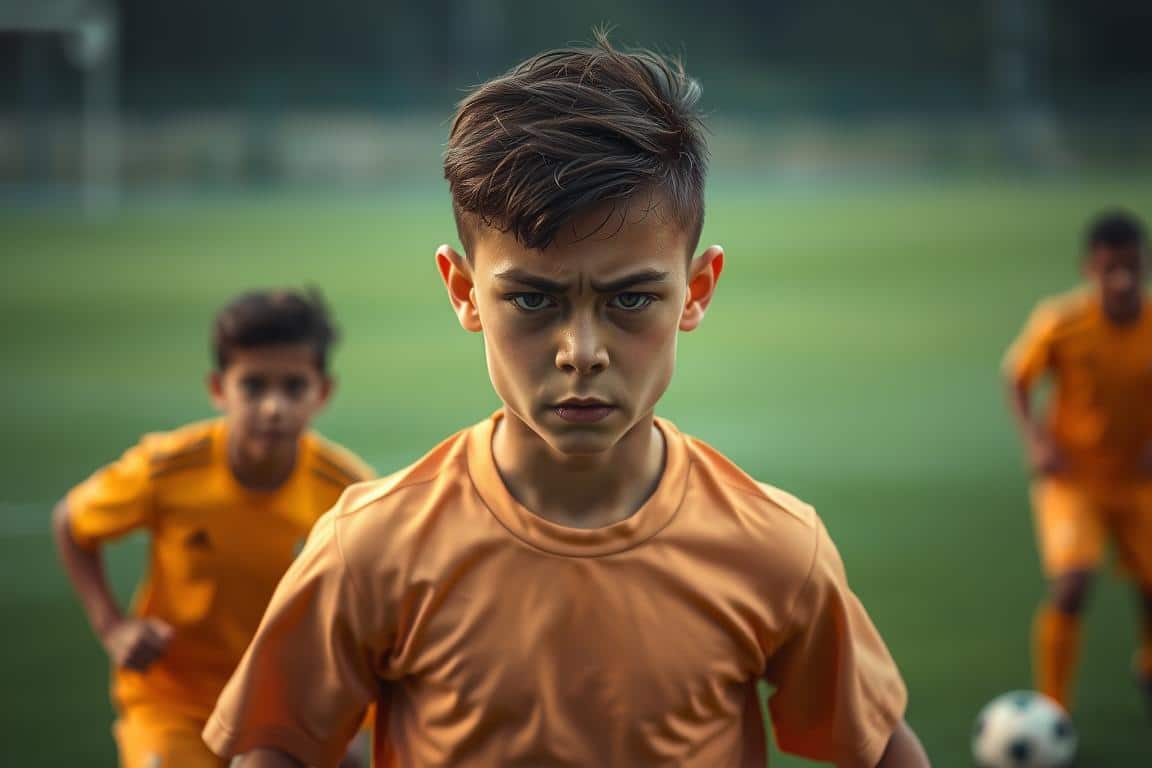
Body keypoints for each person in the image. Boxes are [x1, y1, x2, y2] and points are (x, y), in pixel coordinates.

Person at [205, 37, 929, 767]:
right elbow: (274, 750)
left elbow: (880, 748)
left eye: (630, 299)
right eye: (533, 299)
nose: (581, 351)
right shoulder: (371, 548)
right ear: (464, 291)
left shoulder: (772, 548)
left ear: (696, 291)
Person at [53, 289, 375, 768]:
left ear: (322, 392)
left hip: (284, 708)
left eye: (293, 387)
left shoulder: (349, 493)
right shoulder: (167, 469)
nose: (273, 407)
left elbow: (371, 613)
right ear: (219, 388)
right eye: (253, 386)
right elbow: (71, 522)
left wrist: (351, 723)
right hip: (174, 700)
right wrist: (112, 628)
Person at [1004, 210, 1152, 712]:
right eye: (1111, 269)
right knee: (1073, 582)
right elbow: (1017, 377)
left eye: (1132, 267)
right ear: (1089, 268)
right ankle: (1053, 704)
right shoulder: (1062, 322)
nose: (1123, 280)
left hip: (1138, 479)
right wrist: (1036, 442)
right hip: (1074, 479)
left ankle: (1149, 666)